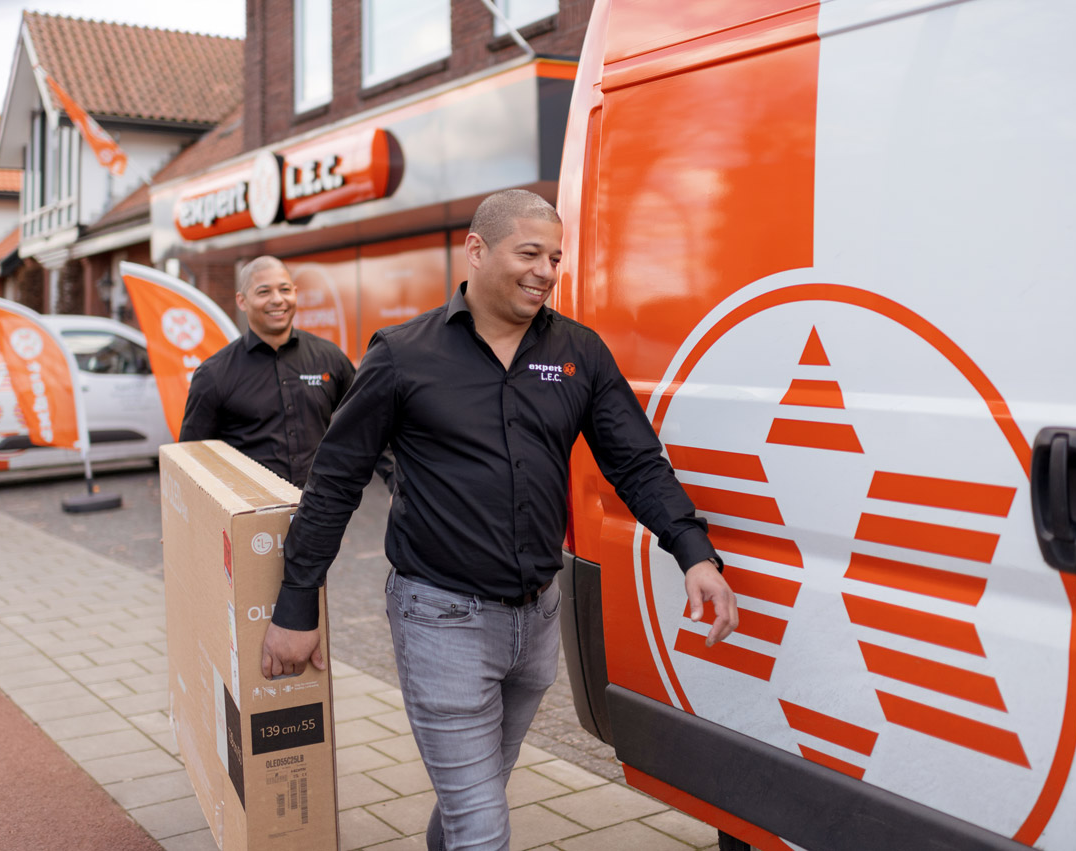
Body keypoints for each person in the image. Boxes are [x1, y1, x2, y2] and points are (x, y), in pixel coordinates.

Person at [261, 190, 738, 850]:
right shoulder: (402, 354)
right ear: (478, 251)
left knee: (476, 794)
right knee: (482, 825)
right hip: (440, 619)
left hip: (537, 618)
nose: (546, 270)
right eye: (531, 253)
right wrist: (294, 607)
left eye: (556, 257)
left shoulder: (578, 352)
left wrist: (695, 554)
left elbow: (635, 461)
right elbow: (335, 482)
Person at [178, 255, 358, 488]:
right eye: (264, 292)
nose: (277, 300)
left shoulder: (329, 358)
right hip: (250, 514)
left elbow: (367, 420)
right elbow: (192, 456)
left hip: (320, 509)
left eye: (284, 290)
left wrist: (393, 479)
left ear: (295, 292)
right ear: (242, 301)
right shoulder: (214, 373)